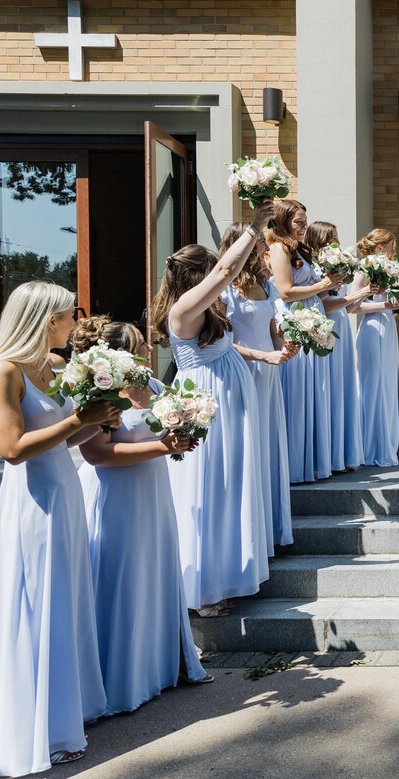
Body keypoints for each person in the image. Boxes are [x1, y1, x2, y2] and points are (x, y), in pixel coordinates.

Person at [0, 281, 120, 775]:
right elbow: (12, 449)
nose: (76, 320)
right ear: (45, 318)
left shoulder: (54, 367)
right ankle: (42, 730)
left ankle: (66, 710)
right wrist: (81, 416)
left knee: (67, 598)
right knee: (39, 602)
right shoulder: (2, 371)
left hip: (65, 492)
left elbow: (72, 435)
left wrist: (107, 420)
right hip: (32, 502)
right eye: (68, 312)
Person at [75, 316, 211, 716]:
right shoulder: (98, 392)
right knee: (122, 579)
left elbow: (174, 421)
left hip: (153, 493)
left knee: (156, 574)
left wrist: (191, 425)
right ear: (117, 354)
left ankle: (165, 666)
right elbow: (96, 455)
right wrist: (162, 447)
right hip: (117, 497)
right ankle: (120, 681)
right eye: (138, 346)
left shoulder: (152, 384)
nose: (148, 351)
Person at [151, 204, 273, 616]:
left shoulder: (203, 309)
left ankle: (227, 571)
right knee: (209, 486)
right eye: (212, 271)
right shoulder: (183, 310)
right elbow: (226, 273)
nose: (220, 277)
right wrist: (255, 229)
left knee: (229, 483)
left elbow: (223, 344)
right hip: (207, 400)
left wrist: (262, 356)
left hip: (230, 397)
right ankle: (201, 588)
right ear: (197, 276)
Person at [219, 222, 296, 553]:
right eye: (260, 245)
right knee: (248, 450)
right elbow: (220, 343)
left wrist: (287, 343)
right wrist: (263, 356)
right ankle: (246, 538)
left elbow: (270, 327)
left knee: (267, 447)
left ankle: (269, 533)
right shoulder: (224, 290)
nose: (266, 250)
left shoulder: (266, 284)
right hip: (241, 373)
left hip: (269, 373)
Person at [268, 199, 343, 483]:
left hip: (312, 321)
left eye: (305, 221)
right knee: (298, 394)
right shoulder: (278, 249)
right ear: (283, 222)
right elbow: (286, 292)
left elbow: (316, 295)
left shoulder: (300, 249)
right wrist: (323, 285)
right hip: (295, 322)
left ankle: (310, 461)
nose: (304, 227)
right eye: (298, 222)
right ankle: (295, 466)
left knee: (313, 393)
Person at [307, 220, 370, 473]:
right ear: (319, 239)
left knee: (343, 389)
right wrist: (357, 296)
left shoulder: (339, 263)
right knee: (330, 390)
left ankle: (343, 454)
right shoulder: (315, 269)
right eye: (331, 237)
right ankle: (330, 457)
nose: (336, 241)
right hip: (327, 325)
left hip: (341, 324)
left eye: (336, 236)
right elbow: (325, 304)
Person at [349, 228, 399, 467]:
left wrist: (397, 305)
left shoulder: (387, 267)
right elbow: (352, 307)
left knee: (386, 386)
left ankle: (387, 443)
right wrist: (386, 305)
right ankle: (370, 448)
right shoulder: (364, 267)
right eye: (391, 246)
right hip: (372, 330)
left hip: (387, 328)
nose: (394, 250)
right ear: (379, 248)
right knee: (372, 387)